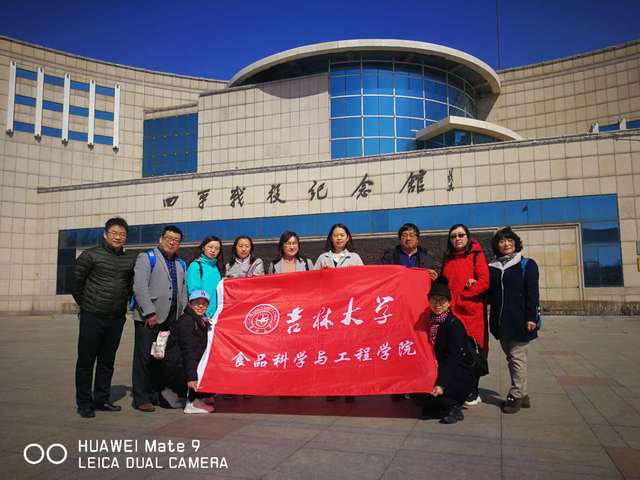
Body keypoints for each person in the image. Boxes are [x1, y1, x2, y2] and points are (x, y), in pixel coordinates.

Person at [72, 217, 135, 418]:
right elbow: (76, 284)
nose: (118, 237)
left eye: (122, 234)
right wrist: (87, 304)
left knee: (107, 362)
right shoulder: (90, 255)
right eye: (114, 233)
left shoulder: (128, 260)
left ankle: (101, 399)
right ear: (105, 234)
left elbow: (129, 287)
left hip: (116, 318)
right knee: (86, 361)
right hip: (92, 316)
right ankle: (84, 403)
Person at [132, 225, 188, 412]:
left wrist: (181, 313)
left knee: (161, 357)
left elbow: (183, 290)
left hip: (171, 319)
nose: (172, 242)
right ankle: (141, 398)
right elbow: (139, 287)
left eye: (176, 240)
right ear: (161, 239)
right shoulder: (147, 257)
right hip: (149, 318)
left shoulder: (180, 263)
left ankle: (155, 394)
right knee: (144, 358)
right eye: (169, 238)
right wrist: (149, 312)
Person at [488, 227, 540, 414]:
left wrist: (531, 317)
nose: (506, 244)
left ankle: (516, 395)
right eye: (502, 241)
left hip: (520, 320)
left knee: (517, 358)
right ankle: (523, 395)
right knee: (511, 358)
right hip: (500, 321)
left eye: (510, 240)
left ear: (516, 243)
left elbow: (532, 293)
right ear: (497, 245)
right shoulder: (493, 266)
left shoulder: (526, 264)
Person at [414, 277, 475, 424]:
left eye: (442, 300)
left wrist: (441, 383)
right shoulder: (428, 320)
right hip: (436, 366)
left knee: (444, 389)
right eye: (434, 300)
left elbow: (453, 359)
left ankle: (454, 407)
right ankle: (437, 405)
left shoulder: (454, 325)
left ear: (449, 303)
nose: (437, 304)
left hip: (456, 371)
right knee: (420, 400)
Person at [441, 224, 489, 407]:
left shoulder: (476, 255)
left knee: (473, 350)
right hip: (452, 312)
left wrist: (465, 295)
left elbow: (484, 281)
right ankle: (459, 387)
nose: (457, 239)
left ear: (468, 237)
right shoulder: (448, 258)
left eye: (461, 235)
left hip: (471, 312)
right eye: (453, 236)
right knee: (455, 350)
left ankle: (473, 390)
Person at [316, 223, 363, 402]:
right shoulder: (323, 258)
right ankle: (333, 388)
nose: (339, 238)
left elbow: (364, 280)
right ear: (331, 238)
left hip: (349, 311)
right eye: (335, 235)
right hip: (329, 312)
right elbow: (312, 282)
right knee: (331, 350)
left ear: (348, 237)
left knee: (349, 349)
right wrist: (322, 275)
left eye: (342, 235)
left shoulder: (355, 257)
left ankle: (350, 388)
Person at [160, 289, 215, 414]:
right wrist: (192, 378)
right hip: (178, 367)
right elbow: (188, 352)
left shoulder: (201, 320)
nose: (201, 306)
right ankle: (192, 402)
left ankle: (201, 395)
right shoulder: (187, 322)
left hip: (183, 364)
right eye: (197, 303)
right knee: (200, 367)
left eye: (204, 303)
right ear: (190, 304)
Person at [186, 236, 224, 318]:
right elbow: (193, 291)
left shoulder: (217, 268)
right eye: (210, 247)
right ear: (203, 248)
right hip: (202, 313)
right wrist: (202, 312)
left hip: (216, 314)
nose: (213, 250)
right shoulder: (195, 266)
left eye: (217, 248)